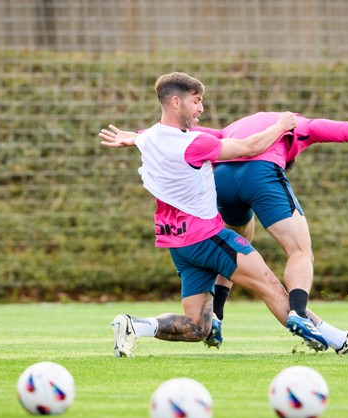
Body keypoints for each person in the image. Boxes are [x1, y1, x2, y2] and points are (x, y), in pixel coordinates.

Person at [98, 71, 331, 357]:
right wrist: (281, 125)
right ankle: (332, 341)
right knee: (270, 285)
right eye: (196, 102)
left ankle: (134, 326)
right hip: (208, 236)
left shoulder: (150, 138)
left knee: (197, 327)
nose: (201, 109)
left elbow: (144, 136)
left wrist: (132, 137)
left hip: (179, 245)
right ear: (175, 102)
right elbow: (249, 148)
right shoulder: (194, 143)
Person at [197, 112, 348, 353]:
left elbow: (192, 134)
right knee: (299, 251)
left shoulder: (230, 126)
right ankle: (298, 313)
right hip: (260, 173)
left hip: (220, 180)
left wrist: (148, 134)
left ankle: (216, 312)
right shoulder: (300, 125)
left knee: (237, 240)